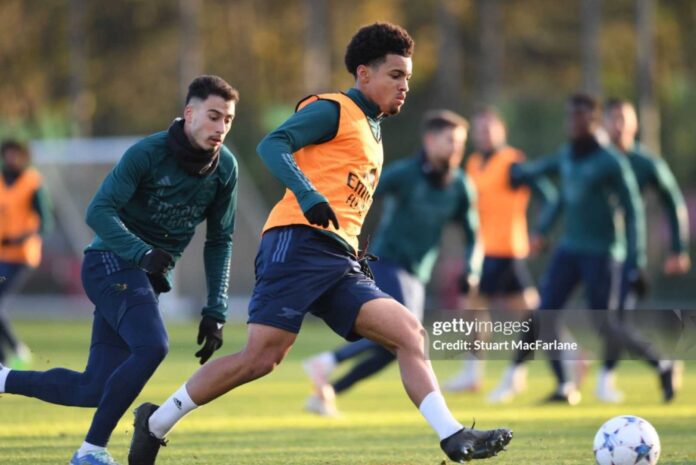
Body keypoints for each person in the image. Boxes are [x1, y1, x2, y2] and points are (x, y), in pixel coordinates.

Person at [128, 23, 512, 465]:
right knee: (260, 358)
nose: (404, 86)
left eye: (407, 77)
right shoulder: (334, 108)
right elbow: (272, 144)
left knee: (409, 332)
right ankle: (155, 424)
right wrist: (308, 194)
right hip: (295, 242)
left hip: (336, 256)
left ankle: (453, 436)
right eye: (395, 75)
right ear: (364, 74)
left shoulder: (373, 127)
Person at [0, 75, 239, 465]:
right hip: (108, 263)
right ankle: (91, 451)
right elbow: (98, 211)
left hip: (144, 278)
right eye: (213, 116)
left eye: (228, 120)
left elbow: (220, 241)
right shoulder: (148, 152)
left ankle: (4, 378)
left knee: (94, 388)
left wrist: (216, 311)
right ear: (190, 113)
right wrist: (142, 252)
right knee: (153, 346)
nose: (221, 127)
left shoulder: (225, 169)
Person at [493, 93, 675, 405]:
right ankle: (565, 386)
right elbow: (561, 194)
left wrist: (637, 260)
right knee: (544, 313)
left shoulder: (611, 161)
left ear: (592, 120)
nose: (572, 122)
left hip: (603, 254)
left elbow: (633, 212)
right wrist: (540, 228)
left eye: (578, 116)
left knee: (606, 324)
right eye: (569, 116)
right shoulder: (568, 155)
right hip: (569, 250)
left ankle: (662, 364)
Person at [302, 109, 478, 416]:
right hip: (387, 262)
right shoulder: (404, 173)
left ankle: (327, 389)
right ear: (429, 140)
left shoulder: (461, 185)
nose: (456, 149)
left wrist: (472, 269)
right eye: (450, 141)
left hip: (416, 274)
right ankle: (327, 363)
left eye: (461, 143)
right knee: (410, 336)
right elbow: (358, 195)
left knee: (394, 351)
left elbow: (474, 235)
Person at [441, 107, 557, 395]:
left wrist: (539, 231)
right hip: (482, 252)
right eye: (479, 129)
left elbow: (549, 196)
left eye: (488, 128)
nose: (484, 134)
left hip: (506, 252)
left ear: (501, 130)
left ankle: (526, 371)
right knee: (474, 309)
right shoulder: (473, 163)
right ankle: (473, 373)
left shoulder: (512, 163)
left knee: (531, 314)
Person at [595, 97, 690, 402]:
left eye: (625, 118)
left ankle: (609, 379)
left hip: (630, 254)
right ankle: (657, 365)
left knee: (616, 319)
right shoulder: (595, 159)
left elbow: (672, 201)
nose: (619, 124)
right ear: (604, 124)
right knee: (607, 320)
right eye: (613, 118)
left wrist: (678, 247)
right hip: (594, 252)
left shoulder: (646, 162)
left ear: (635, 123)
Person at [0, 140, 53, 368]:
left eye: (15, 154)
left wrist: (23, 236)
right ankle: (9, 355)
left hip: (22, 256)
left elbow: (45, 223)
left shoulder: (32, 182)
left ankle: (14, 351)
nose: (11, 159)